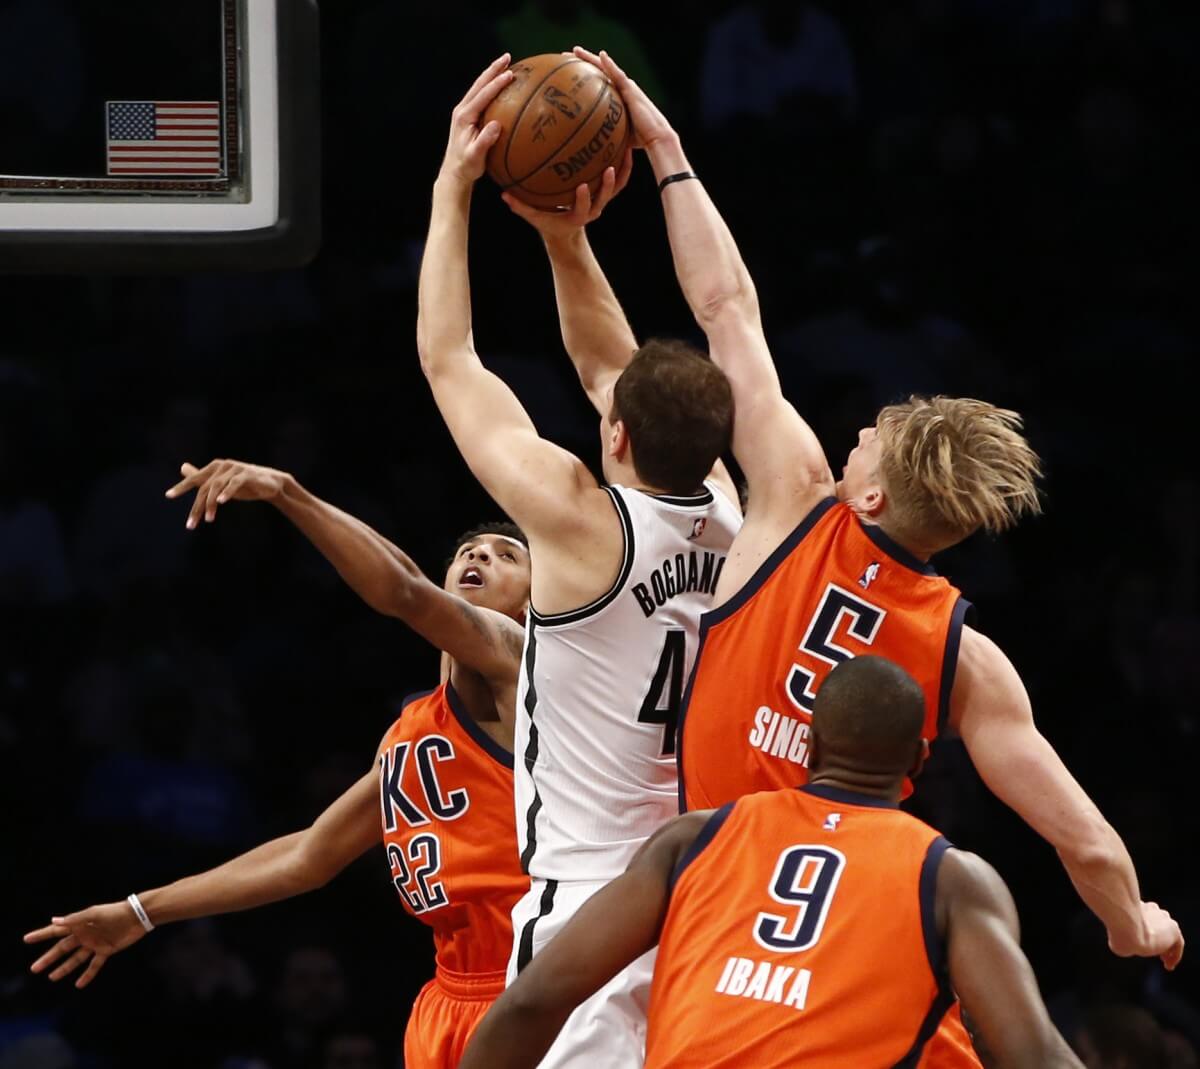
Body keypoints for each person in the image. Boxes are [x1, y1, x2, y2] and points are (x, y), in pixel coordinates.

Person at [575, 48, 1184, 977]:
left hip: (712, 899)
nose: (856, 430)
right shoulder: (966, 656)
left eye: (872, 435)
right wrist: (1133, 918)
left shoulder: (793, 496)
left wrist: (667, 150)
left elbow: (725, 306)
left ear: (869, 494)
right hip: (842, 933)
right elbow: (1087, 841)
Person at [416, 56, 742, 1066]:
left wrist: (451, 188)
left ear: (617, 440)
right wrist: (566, 242)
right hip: (707, 893)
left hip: (590, 904)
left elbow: (450, 359)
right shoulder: (734, 513)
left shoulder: (574, 523)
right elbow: (614, 371)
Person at [24, 459, 532, 1069]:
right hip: (448, 993)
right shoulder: (411, 730)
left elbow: (401, 590)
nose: (480, 558)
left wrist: (288, 492)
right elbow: (308, 855)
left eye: (507, 556)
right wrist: (142, 910)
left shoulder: (522, 658)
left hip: (535, 978)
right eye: (469, 551)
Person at [459, 656, 1086, 1069]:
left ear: (810, 744)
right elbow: (1034, 1055)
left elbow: (532, 1001)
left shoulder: (695, 838)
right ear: (918, 764)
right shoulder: (952, 878)